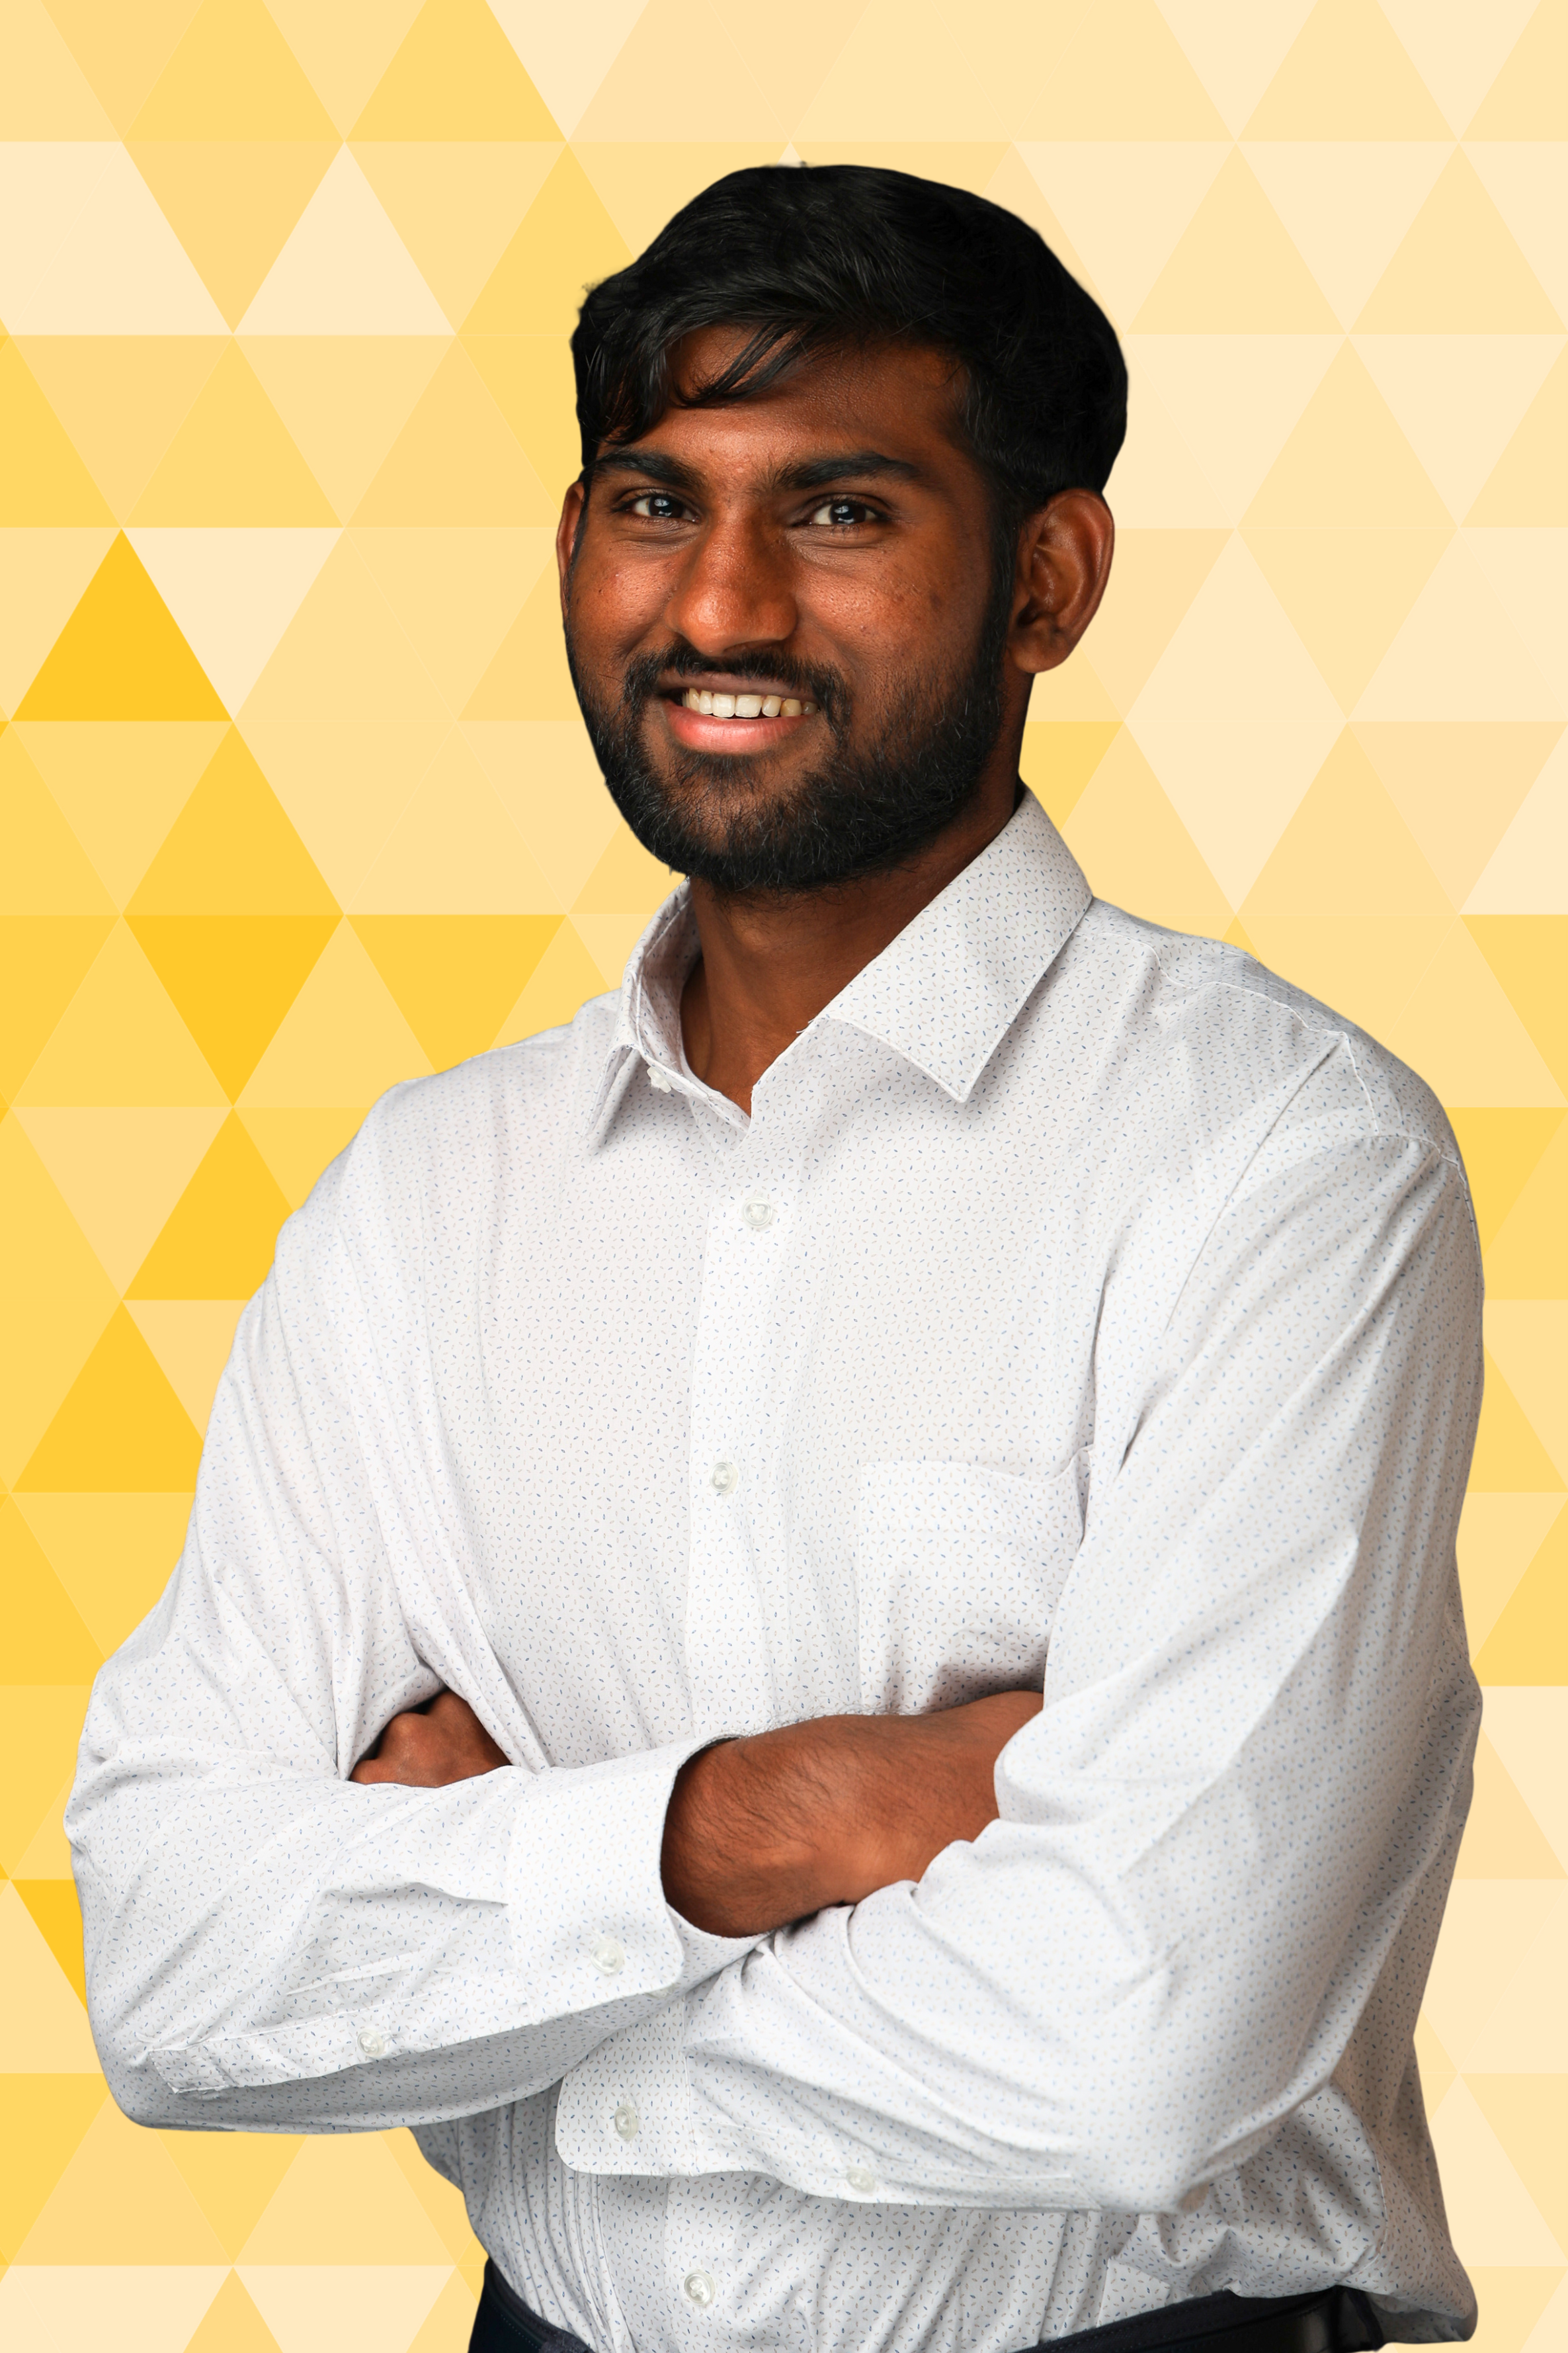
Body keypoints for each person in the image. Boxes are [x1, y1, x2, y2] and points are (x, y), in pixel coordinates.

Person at [68, 165, 1483, 2353]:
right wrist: (776, 1819)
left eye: (836, 513)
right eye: (655, 504)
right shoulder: (419, 1204)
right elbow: (169, 1965)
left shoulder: (1284, 1165)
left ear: (1049, 575)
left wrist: (498, 1943)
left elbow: (1138, 2042)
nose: (717, 605)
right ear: (572, 545)